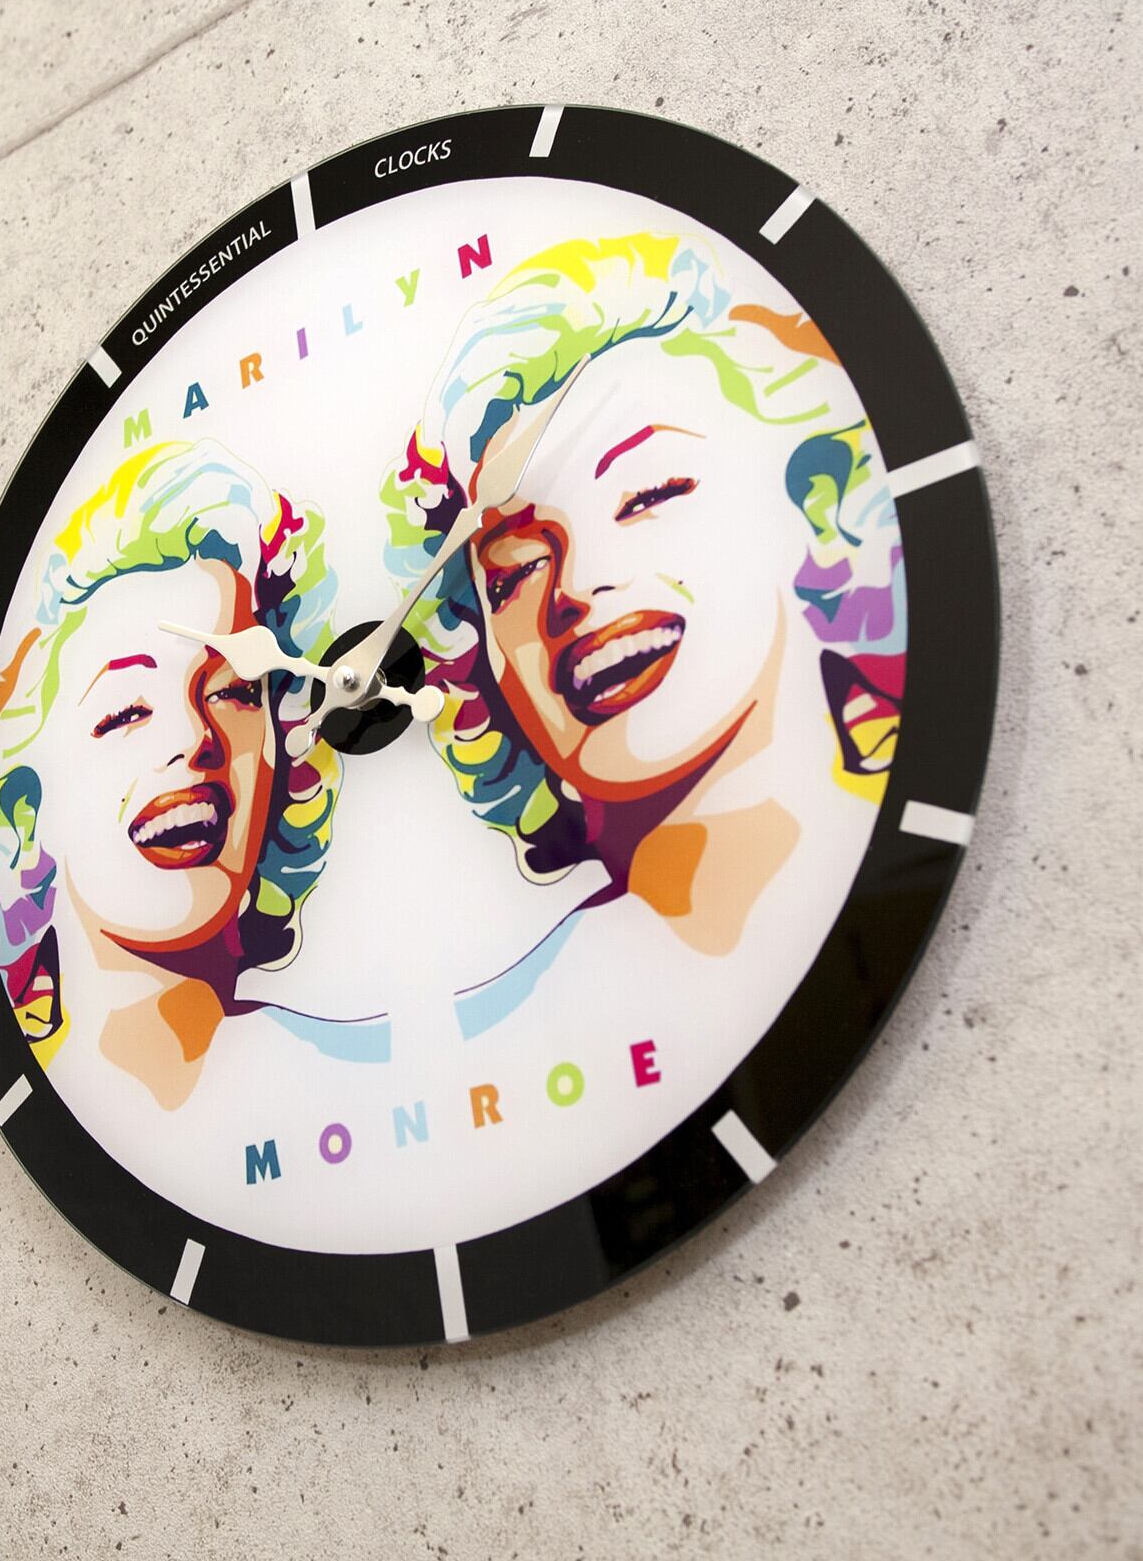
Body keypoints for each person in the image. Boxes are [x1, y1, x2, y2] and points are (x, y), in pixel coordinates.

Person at [380, 231, 904, 1014]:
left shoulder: (889, 846)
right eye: (515, 573)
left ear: (810, 514)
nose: (574, 588)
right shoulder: (523, 1014)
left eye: (651, 494)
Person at [0, 438, 379, 1113]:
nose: (196, 741)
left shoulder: (351, 1076)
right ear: (28, 811)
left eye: (234, 692)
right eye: (124, 712)